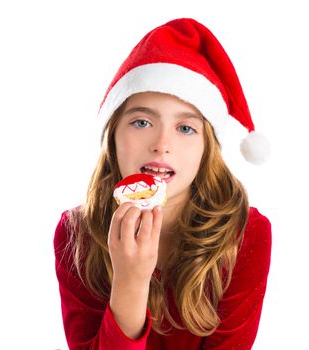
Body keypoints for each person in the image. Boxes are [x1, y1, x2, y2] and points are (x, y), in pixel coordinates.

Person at [54, 18, 272, 349]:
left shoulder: (246, 234)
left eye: (185, 128)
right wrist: (130, 280)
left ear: (206, 148)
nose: (161, 144)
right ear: (113, 136)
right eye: (141, 122)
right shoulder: (76, 234)